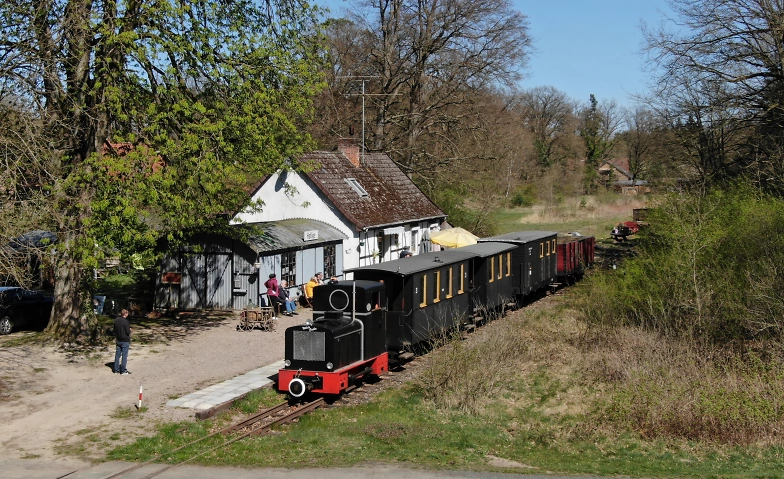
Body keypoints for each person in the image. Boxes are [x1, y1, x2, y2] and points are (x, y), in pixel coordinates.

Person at [113, 309, 131, 375]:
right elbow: (127, 332)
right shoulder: (125, 321)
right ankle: (123, 370)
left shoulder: (116, 320)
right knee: (124, 355)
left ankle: (116, 369)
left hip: (118, 339)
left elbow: (114, 330)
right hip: (125, 340)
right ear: (125, 314)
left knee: (117, 355)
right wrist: (129, 329)